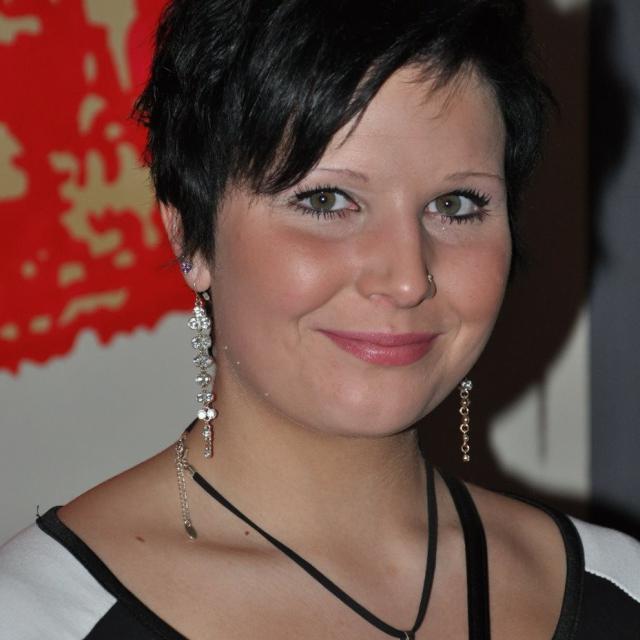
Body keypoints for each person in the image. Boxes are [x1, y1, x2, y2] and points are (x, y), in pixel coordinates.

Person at [1, 0, 639, 638]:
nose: (407, 278)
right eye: (327, 200)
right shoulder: (35, 617)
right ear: (190, 236)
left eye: (454, 204)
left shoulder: (621, 587)